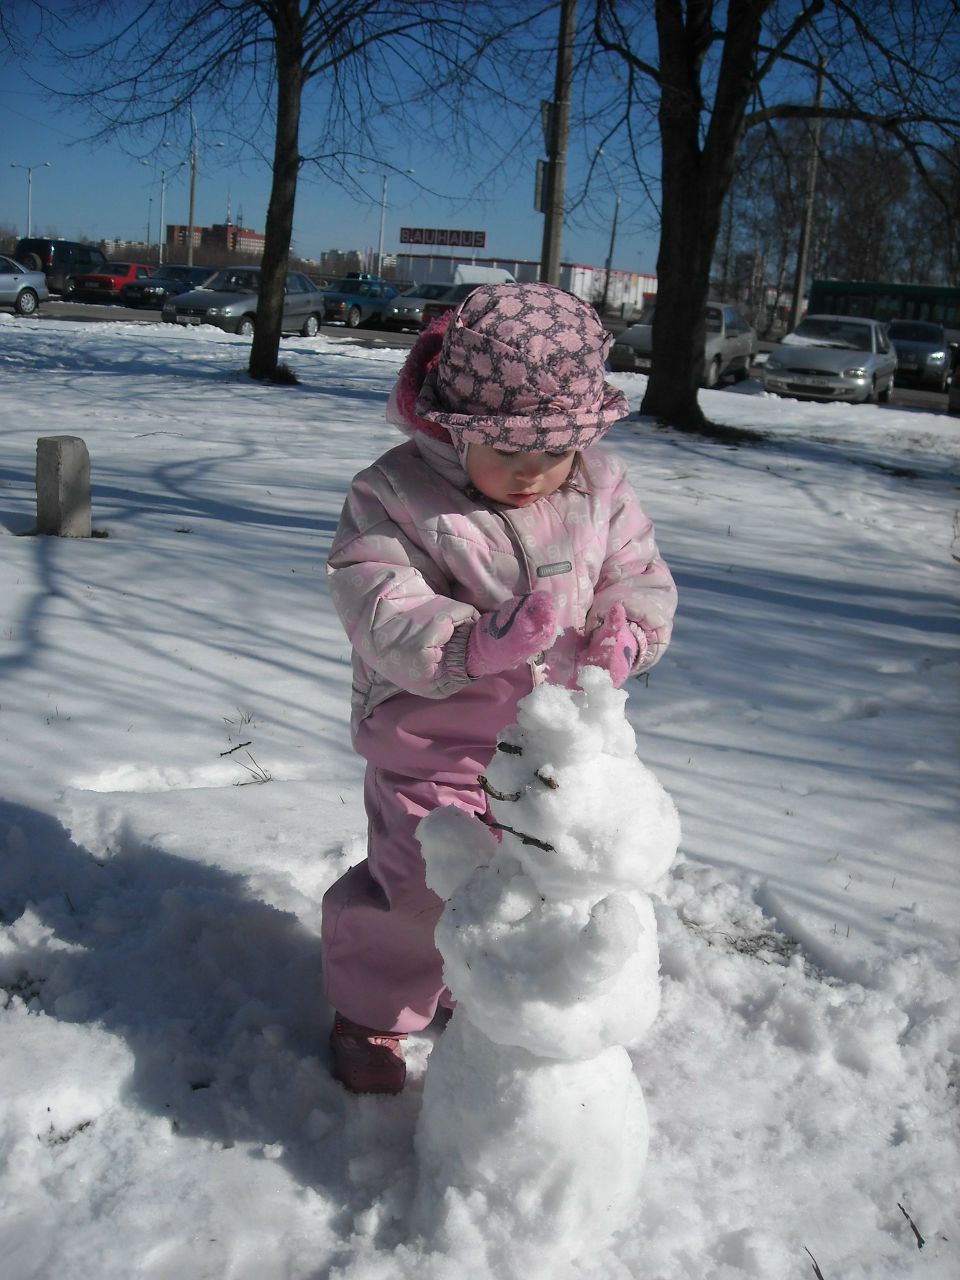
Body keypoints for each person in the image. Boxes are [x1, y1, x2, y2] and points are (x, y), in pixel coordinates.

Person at [322, 282, 677, 1094]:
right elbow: (376, 599)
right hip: (432, 741)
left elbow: (637, 573)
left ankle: (493, 984)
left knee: (538, 883)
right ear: (453, 426)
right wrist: (472, 641)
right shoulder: (395, 496)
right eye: (510, 455)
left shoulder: (597, 486)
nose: (534, 475)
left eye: (553, 455)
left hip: (550, 753)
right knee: (415, 891)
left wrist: (628, 631)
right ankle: (375, 1011)